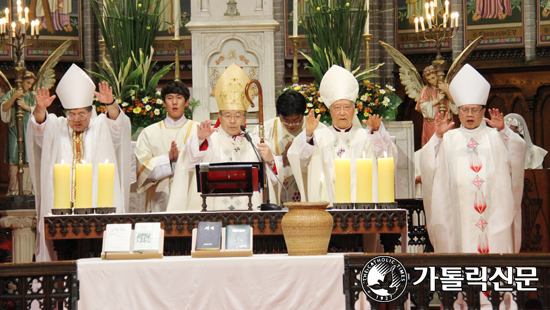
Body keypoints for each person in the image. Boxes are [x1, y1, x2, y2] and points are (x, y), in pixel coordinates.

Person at [27, 64, 132, 262]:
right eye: (72, 114)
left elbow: (118, 128)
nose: (76, 119)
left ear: (90, 112)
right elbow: (39, 131)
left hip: (96, 203)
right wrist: (40, 110)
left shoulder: (100, 125)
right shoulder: (57, 126)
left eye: (82, 114)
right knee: (63, 252)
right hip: (61, 205)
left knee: (96, 249)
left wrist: (110, 104)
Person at [420, 64, 525, 255]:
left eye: (475, 110)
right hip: (458, 210)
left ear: (483, 111)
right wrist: (436, 136)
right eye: (465, 109)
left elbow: (517, 152)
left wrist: (503, 130)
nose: (469, 114)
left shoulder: (495, 136)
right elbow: (428, 162)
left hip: (494, 209)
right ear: (458, 111)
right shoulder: (449, 137)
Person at [167, 63, 282, 211]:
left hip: (251, 213)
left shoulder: (256, 143)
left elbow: (273, 181)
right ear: (220, 116)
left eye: (238, 115)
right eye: (228, 116)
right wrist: (199, 140)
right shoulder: (208, 140)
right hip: (213, 213)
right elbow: (189, 164)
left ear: (245, 118)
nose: (233, 121)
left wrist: (271, 160)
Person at [288, 65, 397, 204]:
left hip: (361, 206)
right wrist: (308, 132)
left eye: (347, 107)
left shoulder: (366, 136)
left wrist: (376, 131)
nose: (342, 112)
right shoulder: (319, 137)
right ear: (330, 111)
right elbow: (301, 161)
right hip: (326, 205)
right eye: (337, 108)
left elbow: (385, 158)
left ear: (354, 110)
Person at [135, 81, 196, 212]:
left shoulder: (198, 130)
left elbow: (207, 164)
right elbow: (142, 168)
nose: (174, 102)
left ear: (186, 102)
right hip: (159, 198)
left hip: (190, 195)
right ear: (163, 103)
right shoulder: (149, 132)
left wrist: (180, 159)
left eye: (179, 98)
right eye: (170, 98)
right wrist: (167, 160)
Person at [253, 91, 325, 203]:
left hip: (307, 190)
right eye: (285, 121)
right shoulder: (264, 130)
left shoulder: (319, 129)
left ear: (303, 114)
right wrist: (283, 160)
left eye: (296, 121)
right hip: (278, 193)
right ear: (279, 115)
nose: (291, 125)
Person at [1, 71, 36, 195]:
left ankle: (26, 189)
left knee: (27, 157)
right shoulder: (11, 93)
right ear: (21, 81)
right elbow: (4, 108)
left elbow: (39, 111)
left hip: (28, 130)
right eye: (28, 83)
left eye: (31, 84)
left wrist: (25, 107)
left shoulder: (32, 95)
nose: (30, 86)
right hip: (14, 130)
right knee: (14, 157)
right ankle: (15, 189)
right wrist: (14, 97)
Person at [415, 65, 457, 147]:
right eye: (429, 79)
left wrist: (447, 91)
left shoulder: (446, 87)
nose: (431, 81)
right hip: (432, 123)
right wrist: (437, 101)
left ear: (437, 76)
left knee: (449, 145)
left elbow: (456, 103)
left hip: (447, 119)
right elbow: (421, 107)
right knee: (434, 146)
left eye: (433, 78)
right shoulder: (426, 90)